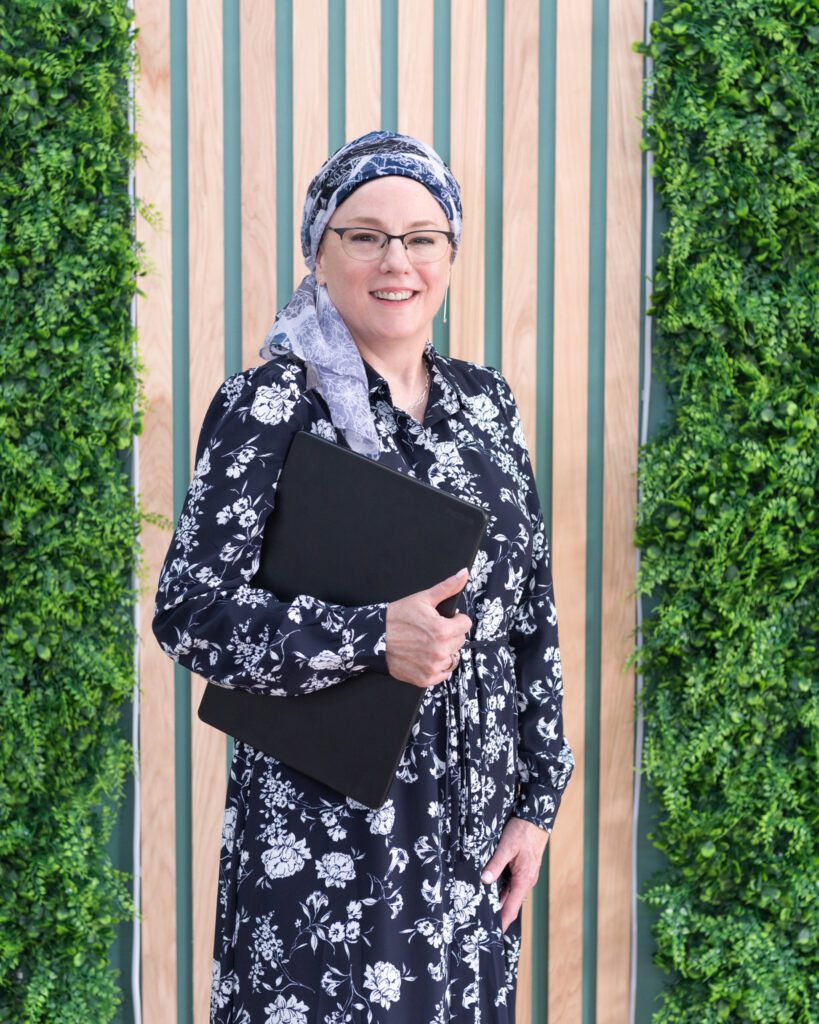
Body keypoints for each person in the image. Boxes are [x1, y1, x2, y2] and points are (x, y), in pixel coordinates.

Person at [152, 130, 574, 1024]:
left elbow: (530, 614)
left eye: (422, 237)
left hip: (473, 820)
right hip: (324, 830)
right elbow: (190, 612)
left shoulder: (485, 402)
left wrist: (535, 805)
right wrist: (369, 636)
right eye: (366, 234)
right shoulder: (270, 401)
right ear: (318, 249)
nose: (397, 262)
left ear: (449, 255)